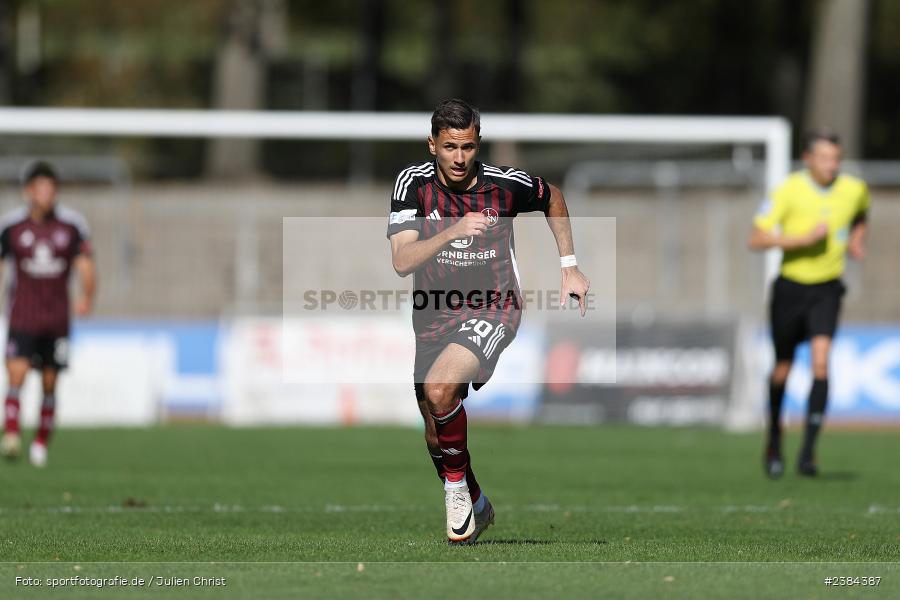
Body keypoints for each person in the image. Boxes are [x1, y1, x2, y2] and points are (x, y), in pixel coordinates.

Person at [387, 99, 590, 544]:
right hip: (433, 313)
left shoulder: (504, 185)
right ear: (432, 145)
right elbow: (403, 260)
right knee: (434, 432)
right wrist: (450, 232)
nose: (459, 158)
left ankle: (456, 494)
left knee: (440, 390)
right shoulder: (412, 185)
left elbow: (552, 196)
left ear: (478, 145)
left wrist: (569, 265)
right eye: (449, 147)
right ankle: (478, 502)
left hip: (493, 305)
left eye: (468, 147)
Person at [748, 129, 868, 478]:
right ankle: (773, 439)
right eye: (825, 158)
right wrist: (800, 239)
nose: (832, 165)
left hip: (827, 290)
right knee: (782, 367)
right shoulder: (788, 191)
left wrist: (857, 240)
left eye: (836, 159)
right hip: (790, 289)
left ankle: (809, 452)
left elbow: (862, 214)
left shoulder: (854, 190)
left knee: (820, 363)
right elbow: (756, 237)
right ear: (808, 159)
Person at [0, 160, 96, 467]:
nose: (47, 195)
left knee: (51, 383)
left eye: (51, 189)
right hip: (22, 316)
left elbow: (86, 265)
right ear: (29, 191)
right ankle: (12, 433)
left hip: (56, 320)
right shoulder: (11, 227)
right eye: (41, 189)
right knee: (16, 373)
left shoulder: (71, 226)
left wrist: (86, 296)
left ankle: (41, 442)